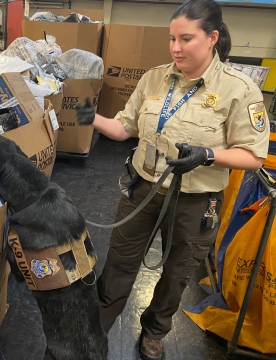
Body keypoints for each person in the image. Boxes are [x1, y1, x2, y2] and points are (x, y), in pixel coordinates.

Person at [75, 0, 270, 359]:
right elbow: (124, 127)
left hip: (195, 202)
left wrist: (208, 155)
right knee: (119, 263)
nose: (176, 48)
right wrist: (92, 118)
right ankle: (95, 328)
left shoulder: (239, 90)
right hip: (143, 189)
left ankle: (154, 331)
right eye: (171, 39)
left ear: (212, 38)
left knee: (177, 272)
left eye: (186, 39)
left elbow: (253, 154)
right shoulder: (154, 77)